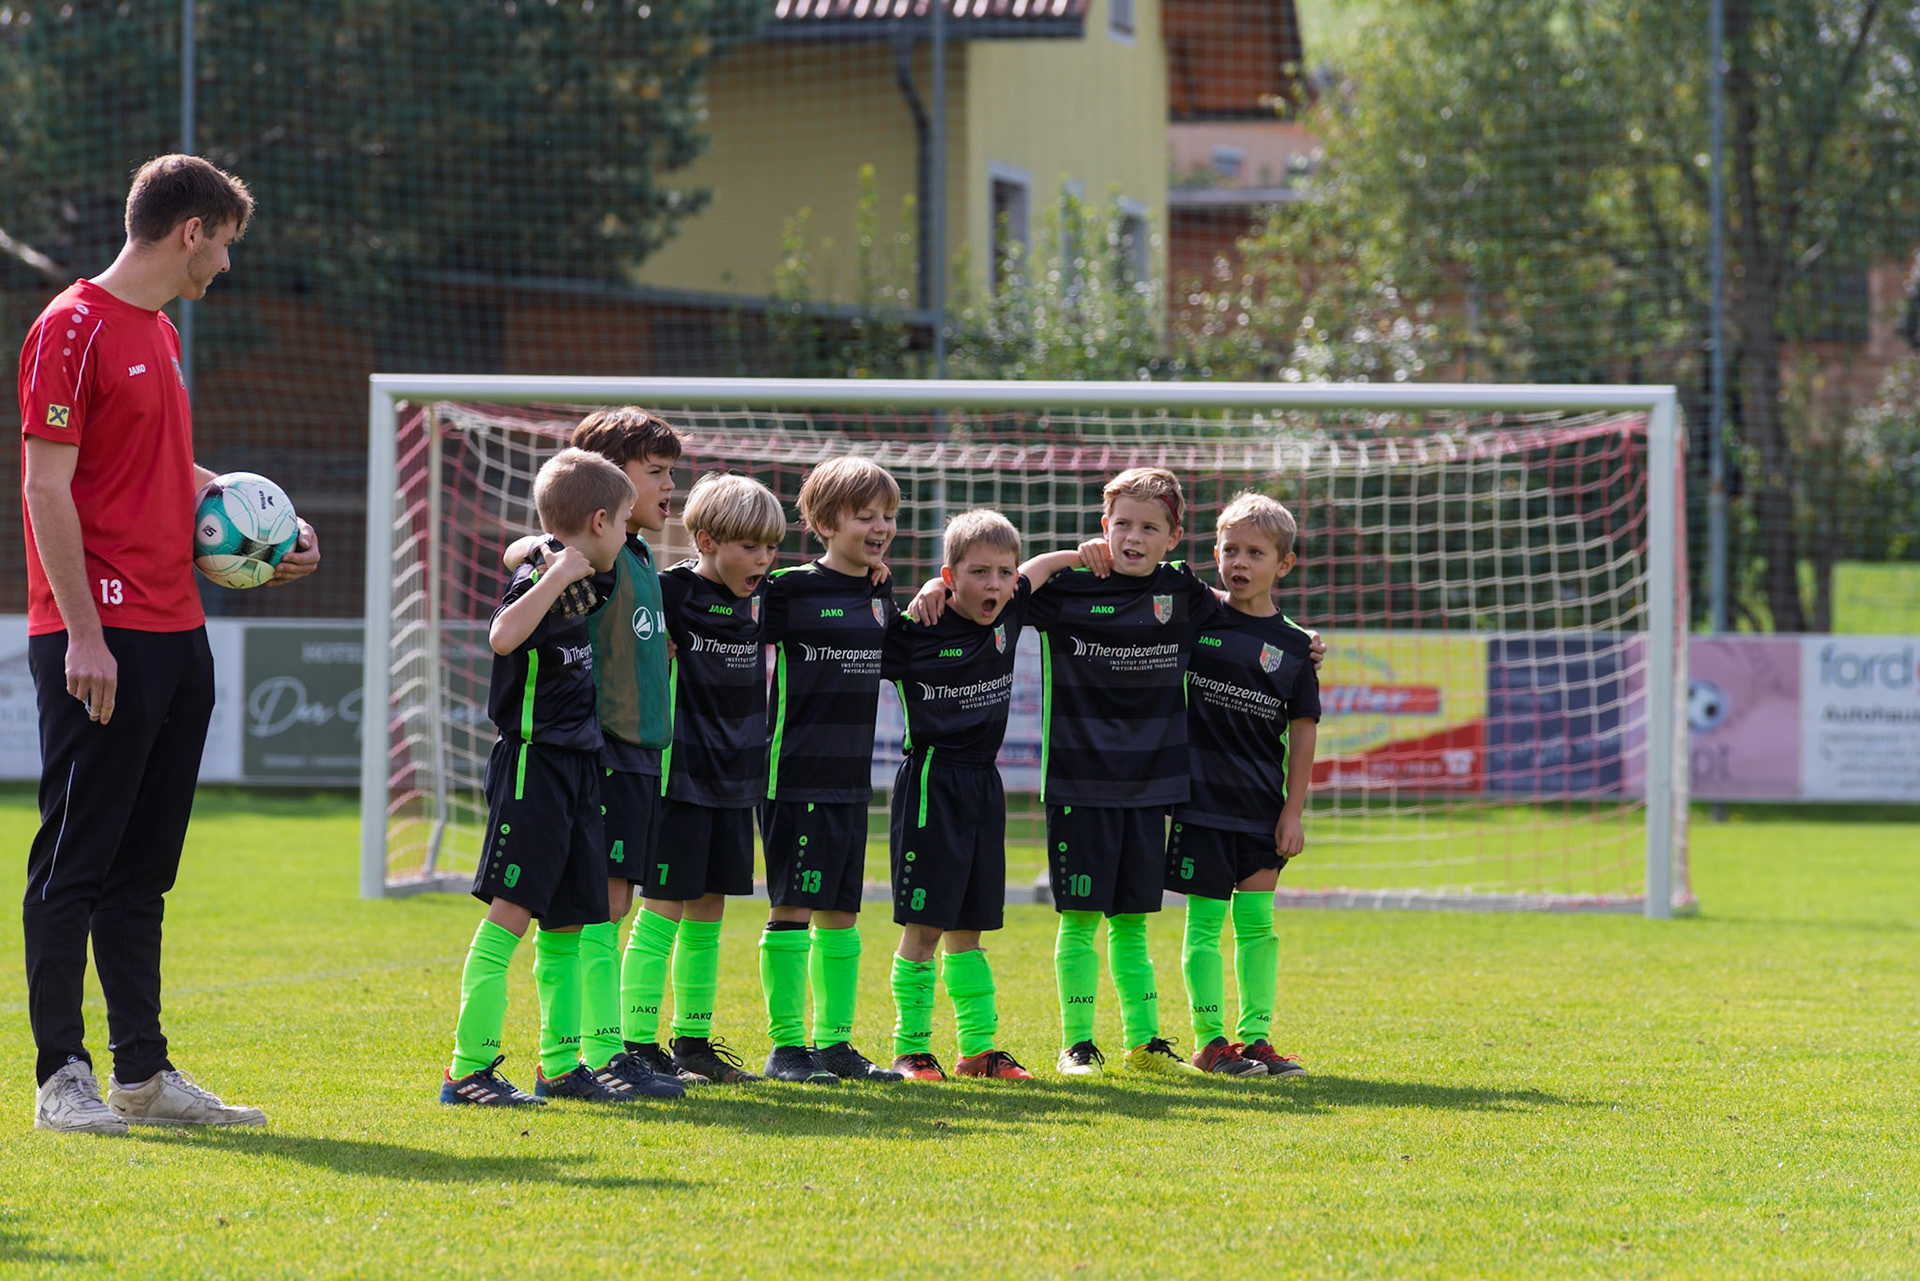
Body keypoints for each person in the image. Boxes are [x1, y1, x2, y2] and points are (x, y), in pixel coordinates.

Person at [18, 154, 319, 1135]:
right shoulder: (70, 326)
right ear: (192, 230)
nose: (226, 263)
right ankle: (61, 1076)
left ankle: (142, 1076)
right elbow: (46, 485)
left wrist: (264, 527)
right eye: (225, 243)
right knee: (74, 863)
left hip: (179, 630)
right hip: (101, 635)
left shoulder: (160, 332)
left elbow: (159, 465)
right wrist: (84, 634)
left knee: (144, 871)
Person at [442, 449, 636, 1106]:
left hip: (579, 768)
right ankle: (467, 1069)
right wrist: (549, 572)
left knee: (567, 924)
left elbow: (526, 546)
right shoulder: (546, 581)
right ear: (601, 519)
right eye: (623, 522)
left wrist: (547, 556)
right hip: (533, 766)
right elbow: (503, 636)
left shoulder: (589, 575)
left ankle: (558, 1065)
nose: (627, 535)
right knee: (512, 914)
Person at [502, 408, 687, 1098]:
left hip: (640, 753)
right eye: (655, 472)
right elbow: (527, 553)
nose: (670, 485)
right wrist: (532, 548)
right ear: (610, 483)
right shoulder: (590, 561)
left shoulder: (636, 555)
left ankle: (593, 1051)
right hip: (598, 749)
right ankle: (593, 1053)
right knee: (596, 904)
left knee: (614, 902)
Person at [881, 510, 1083, 1081]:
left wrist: (1082, 554)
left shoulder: (1011, 609)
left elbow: (1039, 569)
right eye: (978, 573)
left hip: (983, 787)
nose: (994, 584)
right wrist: (925, 589)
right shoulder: (915, 630)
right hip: (931, 783)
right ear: (951, 577)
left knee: (969, 928)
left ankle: (977, 1050)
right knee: (925, 927)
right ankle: (911, 1050)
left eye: (1003, 572)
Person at [756, 457, 905, 1084]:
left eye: (888, 516)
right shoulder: (785, 589)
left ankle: (835, 1044)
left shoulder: (879, 592)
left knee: (842, 912)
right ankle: (786, 1049)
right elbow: (722, 609)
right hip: (795, 774)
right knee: (793, 907)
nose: (881, 527)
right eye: (865, 516)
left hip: (850, 779)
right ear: (823, 523)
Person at [1169, 493, 1320, 1077]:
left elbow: (1303, 733)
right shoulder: (1197, 615)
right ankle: (1210, 1042)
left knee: (1257, 927)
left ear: (1284, 564)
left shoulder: (1296, 645)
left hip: (1260, 809)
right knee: (1205, 927)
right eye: (1230, 550)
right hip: (1200, 805)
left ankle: (1256, 1038)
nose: (1240, 562)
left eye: (1256, 553)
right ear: (1216, 554)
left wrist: (1292, 812)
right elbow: (1149, 567)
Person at [655, 473, 788, 1086]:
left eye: (771, 548)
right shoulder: (669, 592)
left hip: (739, 782)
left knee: (709, 912)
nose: (763, 560)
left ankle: (691, 1043)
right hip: (679, 778)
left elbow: (828, 587)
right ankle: (635, 1042)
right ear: (706, 540)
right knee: (663, 910)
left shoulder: (767, 599)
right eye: (749, 547)